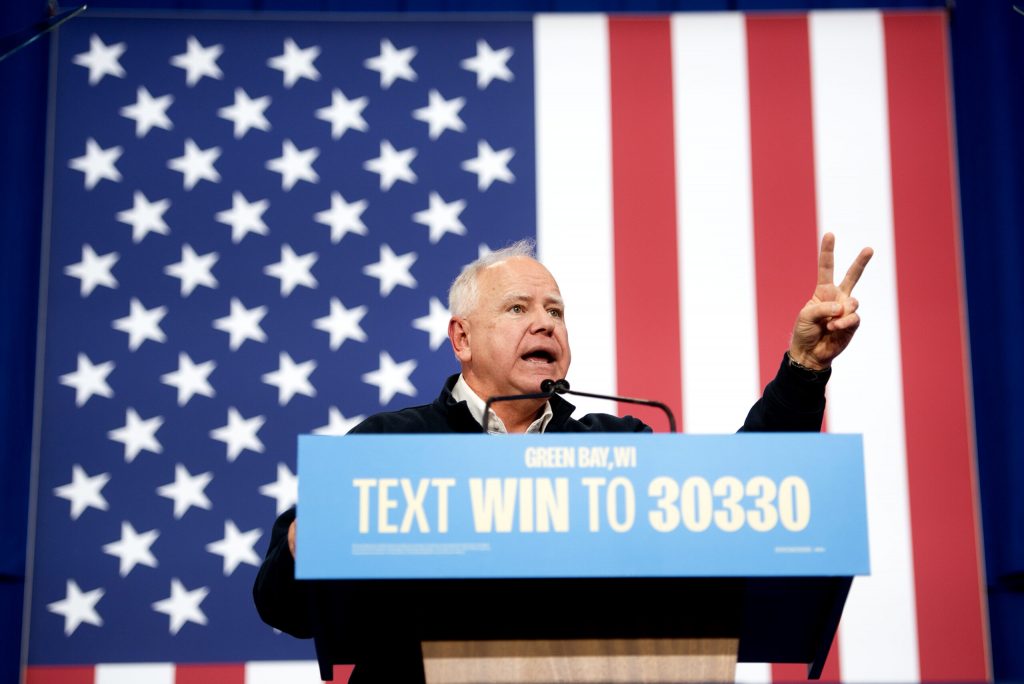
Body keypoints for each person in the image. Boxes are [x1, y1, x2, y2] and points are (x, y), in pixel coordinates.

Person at [253, 233, 872, 682]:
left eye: (556, 312)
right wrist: (309, 536)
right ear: (461, 339)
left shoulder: (616, 444)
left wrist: (804, 370)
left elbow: (745, 501)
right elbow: (282, 604)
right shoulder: (390, 445)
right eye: (518, 309)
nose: (545, 325)